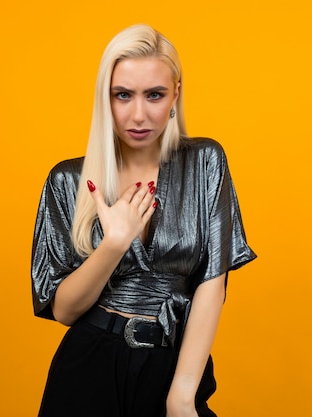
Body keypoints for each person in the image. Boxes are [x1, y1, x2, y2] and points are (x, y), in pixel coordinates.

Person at [31, 24, 256, 417]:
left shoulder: (205, 162)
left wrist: (182, 396)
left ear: (175, 95)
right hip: (89, 368)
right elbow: (63, 311)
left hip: (172, 366)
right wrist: (113, 245)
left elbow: (212, 281)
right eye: (123, 95)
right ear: (106, 98)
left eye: (154, 95)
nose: (139, 115)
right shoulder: (67, 181)